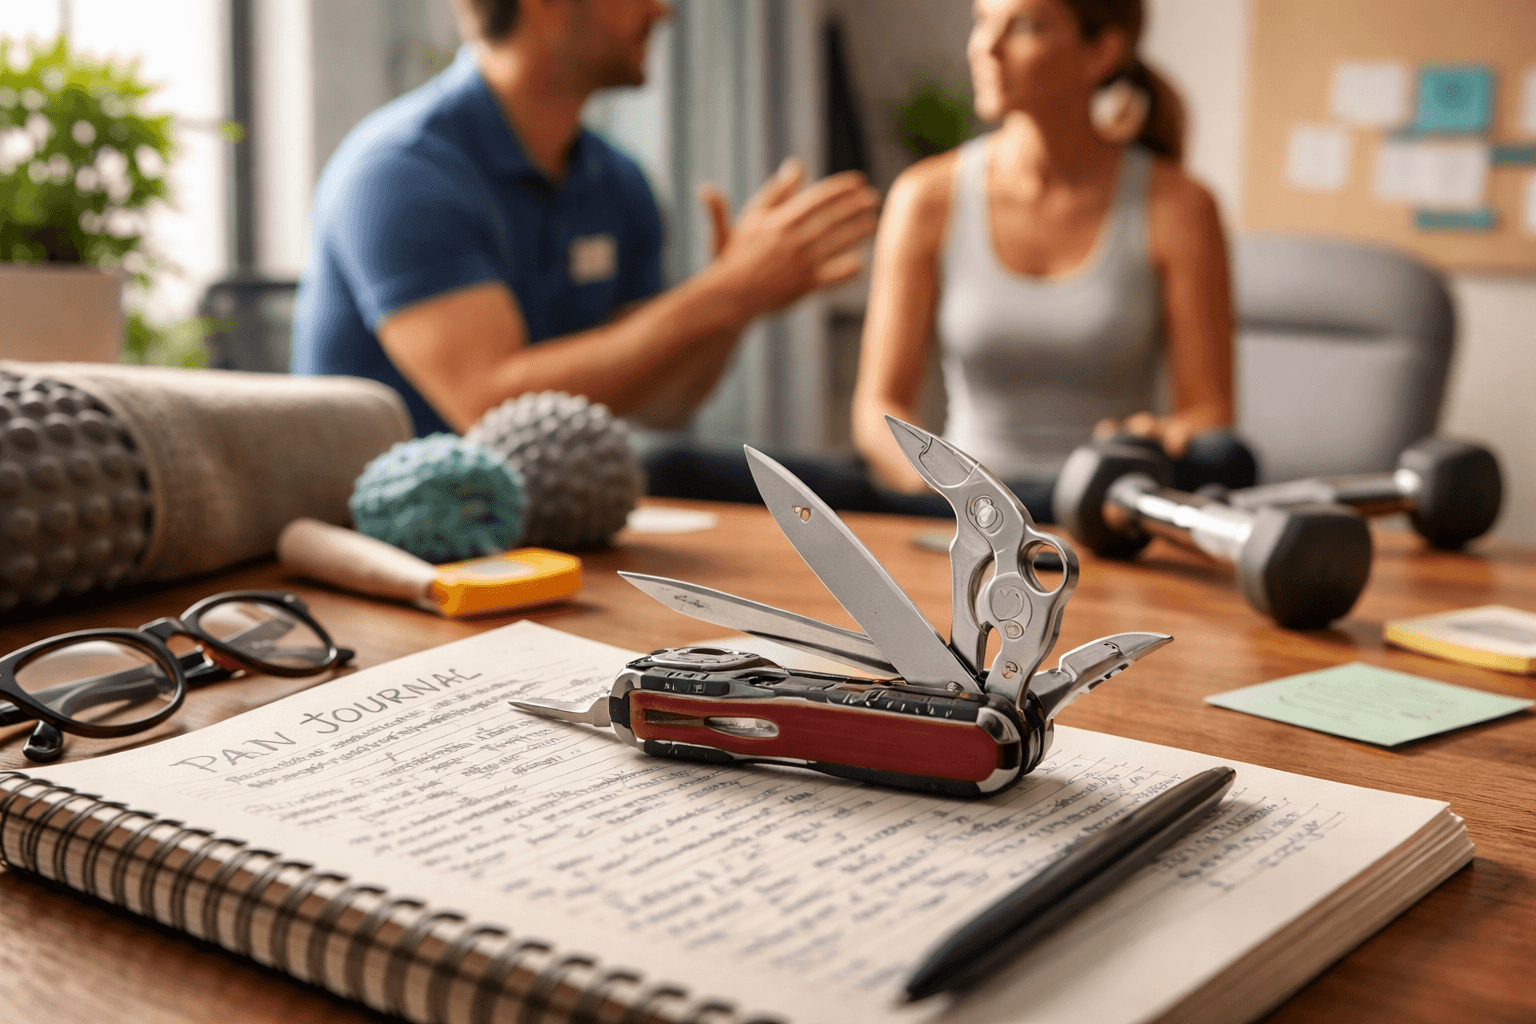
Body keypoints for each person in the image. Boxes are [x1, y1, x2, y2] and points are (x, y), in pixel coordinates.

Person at [292, 0, 879, 438]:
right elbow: (490, 409)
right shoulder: (402, 173)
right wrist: (725, 290)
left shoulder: (618, 181)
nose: (662, 10)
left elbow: (663, 404)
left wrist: (736, 304)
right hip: (385, 546)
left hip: (537, 530)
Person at [850, 0, 1254, 517]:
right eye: (981, 21)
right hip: (959, 514)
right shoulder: (924, 198)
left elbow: (1210, 412)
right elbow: (877, 409)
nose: (985, 48)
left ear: (1101, 53)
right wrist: (948, 498)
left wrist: (1160, 436)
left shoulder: (1180, 207)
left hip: (1102, 514)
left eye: (1025, 26)